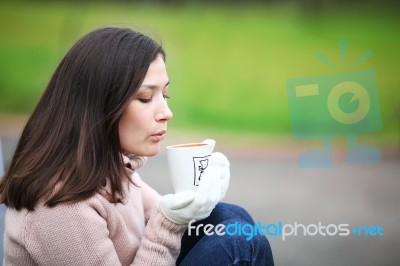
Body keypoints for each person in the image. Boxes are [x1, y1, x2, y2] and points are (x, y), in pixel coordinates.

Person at [0, 27, 274, 265]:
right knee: (240, 245)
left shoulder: (111, 168)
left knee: (227, 217)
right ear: (99, 106)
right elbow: (164, 226)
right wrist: (169, 223)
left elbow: (167, 213)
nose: (166, 112)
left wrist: (201, 196)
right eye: (145, 98)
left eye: (165, 95)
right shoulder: (60, 205)